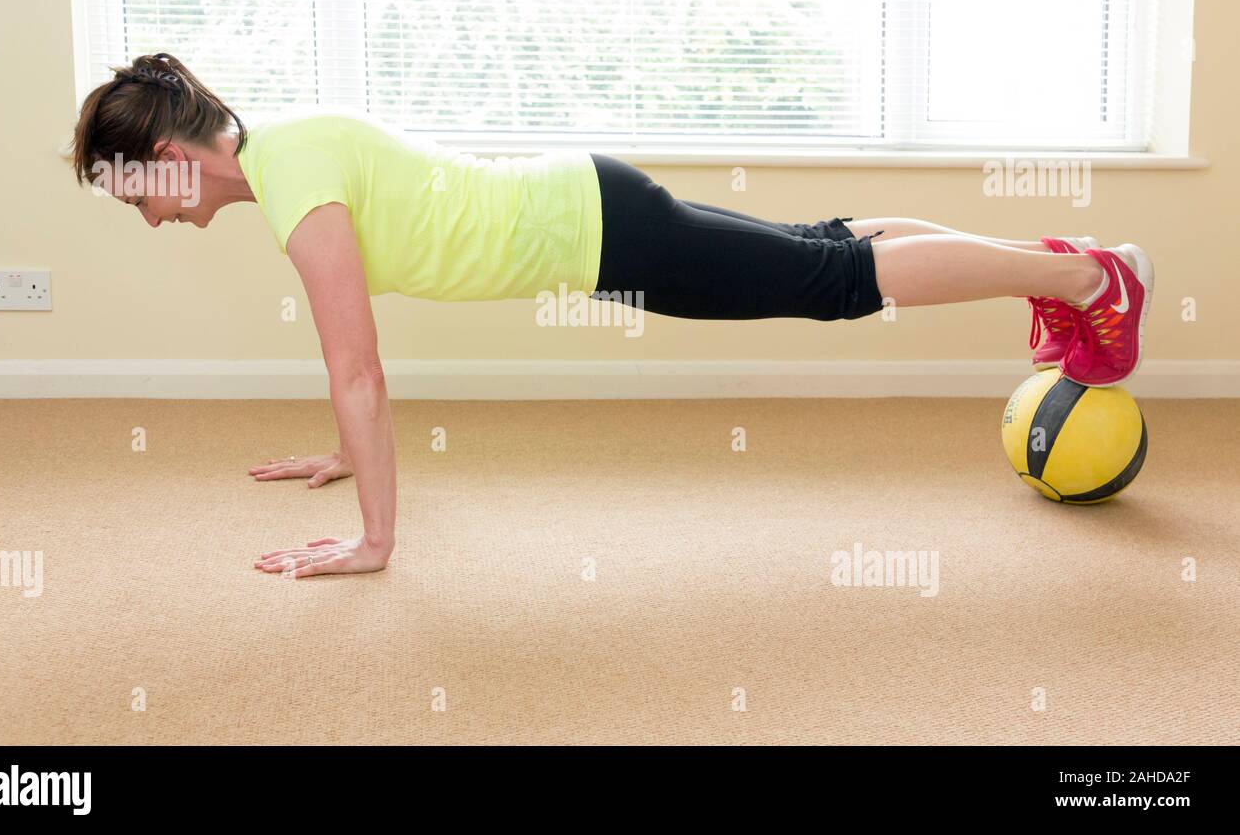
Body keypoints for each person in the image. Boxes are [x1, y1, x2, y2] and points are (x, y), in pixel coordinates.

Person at [68, 53, 1154, 578]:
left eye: (132, 199)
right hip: (594, 214)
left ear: (165, 161)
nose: (146, 221)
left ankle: (1089, 280)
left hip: (599, 230)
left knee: (828, 283)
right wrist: (342, 455)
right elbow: (359, 365)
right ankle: (1056, 270)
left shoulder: (294, 188)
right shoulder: (287, 151)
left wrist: (374, 539)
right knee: (822, 245)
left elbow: (361, 370)